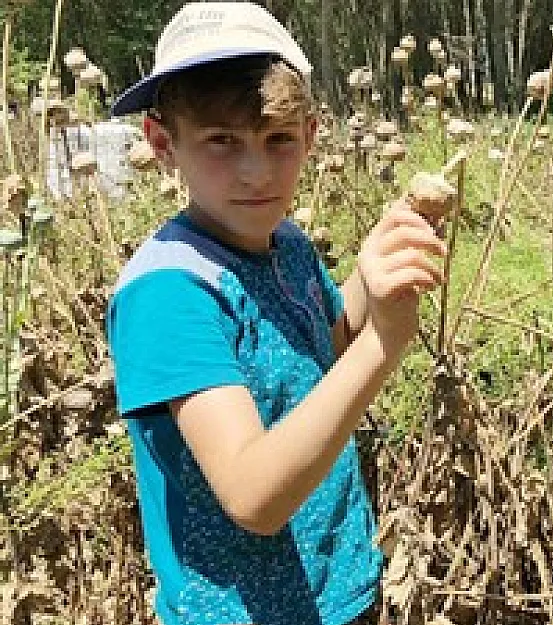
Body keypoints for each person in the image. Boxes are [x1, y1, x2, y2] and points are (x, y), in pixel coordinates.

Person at [106, 4, 445, 625]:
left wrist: (366, 284)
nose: (256, 172)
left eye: (278, 139)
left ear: (311, 136)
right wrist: (383, 348)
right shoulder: (169, 293)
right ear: (162, 143)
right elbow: (253, 496)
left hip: (337, 592)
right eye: (221, 142)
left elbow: (323, 351)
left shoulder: (286, 243)